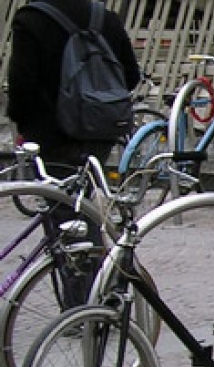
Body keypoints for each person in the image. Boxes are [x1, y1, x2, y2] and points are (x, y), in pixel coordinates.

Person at [6, 0, 141, 306]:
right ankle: (101, 290)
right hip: (99, 131)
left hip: (53, 134)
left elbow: (22, 84)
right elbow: (130, 74)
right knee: (87, 207)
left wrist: (25, 122)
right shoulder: (103, 16)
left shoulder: (32, 19)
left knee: (64, 216)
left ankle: (84, 304)